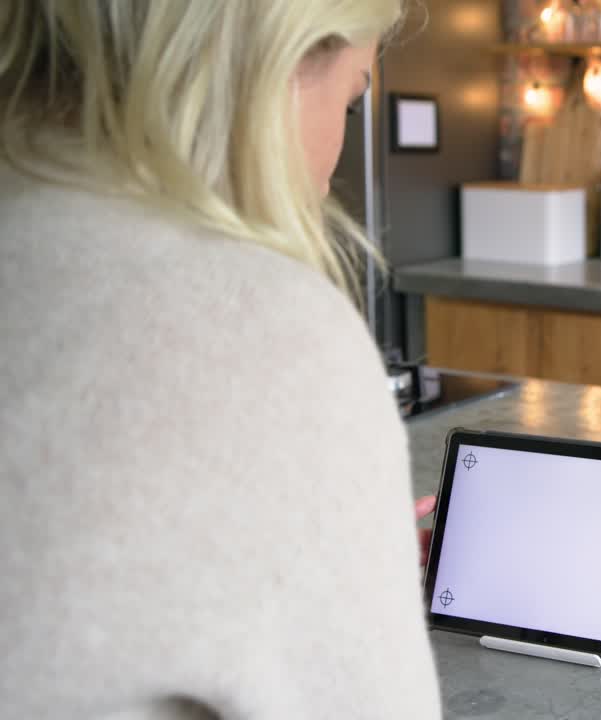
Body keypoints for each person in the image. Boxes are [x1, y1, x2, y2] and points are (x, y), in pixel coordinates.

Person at [0, 2, 443, 717]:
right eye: (350, 102)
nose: (326, 181)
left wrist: (318, 514)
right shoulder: (267, 330)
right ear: (281, 58)